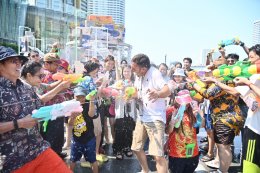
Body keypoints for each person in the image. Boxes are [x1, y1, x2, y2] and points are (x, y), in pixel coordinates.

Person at [0, 46, 72, 173]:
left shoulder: (26, 87)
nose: (18, 64)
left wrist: (66, 109)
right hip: (12, 161)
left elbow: (40, 105)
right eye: (13, 61)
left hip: (39, 149)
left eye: (19, 61)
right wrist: (19, 123)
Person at [130, 53, 171, 173]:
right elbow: (138, 93)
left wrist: (157, 94)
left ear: (143, 68)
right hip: (142, 117)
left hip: (155, 118)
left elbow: (167, 90)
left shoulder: (154, 73)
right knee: (136, 148)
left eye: (134, 68)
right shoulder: (138, 76)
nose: (132, 70)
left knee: (157, 155)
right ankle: (145, 170)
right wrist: (132, 96)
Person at [40, 52, 68, 159]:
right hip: (50, 110)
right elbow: (51, 90)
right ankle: (52, 156)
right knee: (51, 134)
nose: (57, 67)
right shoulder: (46, 75)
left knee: (58, 132)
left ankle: (56, 152)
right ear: (47, 64)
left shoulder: (54, 74)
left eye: (58, 65)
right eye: (55, 64)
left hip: (57, 108)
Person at [166, 90, 199, 173]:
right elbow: (167, 131)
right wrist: (172, 122)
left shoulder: (192, 111)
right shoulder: (171, 111)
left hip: (192, 151)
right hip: (176, 153)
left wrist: (199, 115)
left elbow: (199, 127)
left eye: (187, 102)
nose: (185, 104)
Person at [69, 87, 99, 173]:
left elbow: (91, 114)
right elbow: (70, 124)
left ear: (85, 96)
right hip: (76, 139)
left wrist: (92, 101)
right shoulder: (71, 107)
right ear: (74, 96)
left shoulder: (88, 104)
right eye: (77, 97)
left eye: (82, 96)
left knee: (93, 160)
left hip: (89, 138)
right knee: (72, 159)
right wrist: (73, 116)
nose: (80, 99)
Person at [113, 64, 136, 160]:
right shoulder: (119, 82)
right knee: (119, 130)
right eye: (125, 71)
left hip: (130, 110)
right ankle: (118, 149)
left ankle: (127, 147)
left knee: (129, 130)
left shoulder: (135, 83)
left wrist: (132, 95)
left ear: (132, 73)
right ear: (122, 72)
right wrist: (119, 89)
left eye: (128, 71)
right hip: (121, 110)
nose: (126, 73)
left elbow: (137, 95)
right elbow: (112, 93)